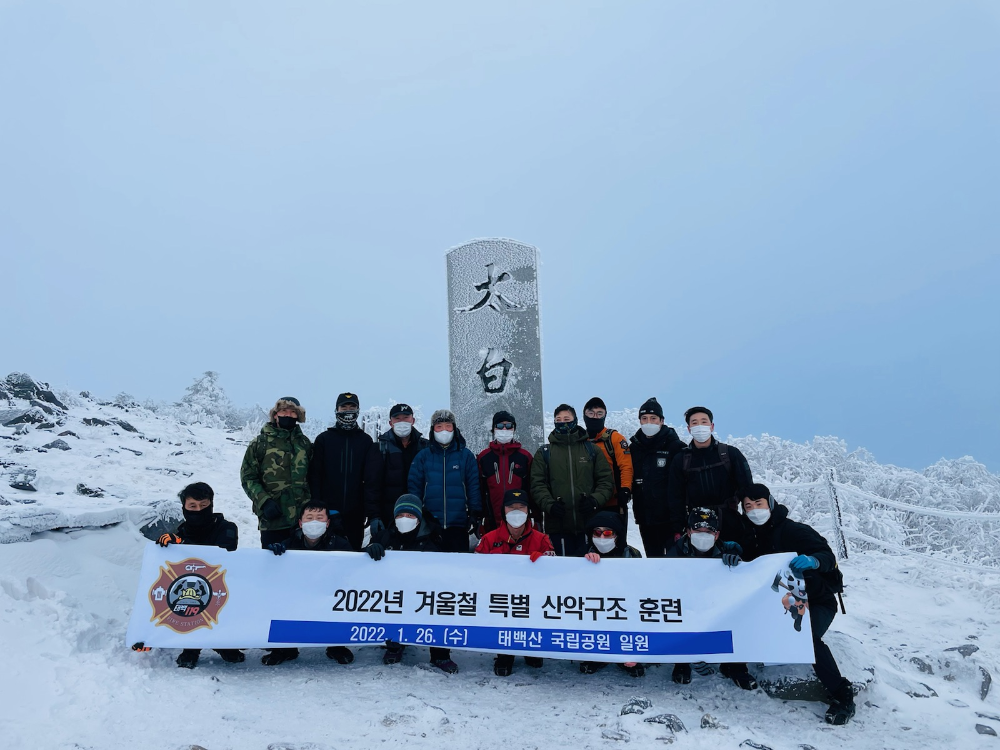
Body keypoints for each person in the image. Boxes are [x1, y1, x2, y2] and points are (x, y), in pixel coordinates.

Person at [737, 483, 855, 725]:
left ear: (770, 503)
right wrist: (733, 553)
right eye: (748, 506)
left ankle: (842, 694)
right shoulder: (749, 535)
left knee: (806, 637)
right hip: (777, 603)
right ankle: (736, 669)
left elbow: (827, 556)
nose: (754, 510)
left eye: (758, 504)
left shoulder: (794, 530)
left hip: (818, 600)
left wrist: (813, 560)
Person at [263, 501, 385, 666]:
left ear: (327, 523)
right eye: (309, 518)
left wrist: (368, 552)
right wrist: (273, 555)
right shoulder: (289, 544)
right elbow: (272, 576)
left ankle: (336, 646)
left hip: (329, 597)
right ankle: (285, 648)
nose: (314, 522)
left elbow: (355, 569)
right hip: (298, 598)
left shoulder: (340, 544)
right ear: (300, 523)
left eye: (319, 518)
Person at [154, 482, 243, 669]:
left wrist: (183, 543)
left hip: (223, 585)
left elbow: (223, 550)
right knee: (187, 599)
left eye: (203, 505)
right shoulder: (180, 532)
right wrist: (169, 546)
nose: (198, 510)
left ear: (211, 504)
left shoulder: (227, 527)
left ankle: (222, 643)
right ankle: (191, 648)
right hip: (193, 588)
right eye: (192, 506)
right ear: (184, 508)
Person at [665, 507, 755, 689]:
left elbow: (747, 582)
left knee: (739, 617)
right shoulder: (675, 552)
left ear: (717, 534)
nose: (703, 535)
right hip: (688, 606)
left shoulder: (728, 549)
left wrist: (736, 563)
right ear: (688, 531)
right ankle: (682, 662)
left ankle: (736, 667)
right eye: (698, 530)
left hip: (718, 606)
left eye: (708, 531)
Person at [373, 494, 458, 672]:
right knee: (391, 605)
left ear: (418, 518)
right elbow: (362, 566)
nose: (404, 519)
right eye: (400, 515)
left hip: (427, 591)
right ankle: (394, 646)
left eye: (410, 515)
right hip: (396, 592)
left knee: (438, 608)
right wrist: (371, 549)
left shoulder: (434, 537)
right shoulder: (385, 536)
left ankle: (440, 654)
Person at [475, 489, 554, 676]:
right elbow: (475, 570)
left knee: (533, 614)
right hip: (500, 597)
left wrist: (545, 560)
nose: (516, 512)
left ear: (528, 511)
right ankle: (504, 654)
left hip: (531, 599)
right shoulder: (489, 539)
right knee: (503, 617)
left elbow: (554, 570)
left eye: (521, 507)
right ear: (503, 511)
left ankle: (530, 649)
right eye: (511, 507)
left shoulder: (541, 539)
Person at [529, 404, 614, 557]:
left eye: (566, 419)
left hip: (589, 524)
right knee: (561, 569)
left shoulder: (591, 450)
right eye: (558, 420)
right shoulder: (545, 452)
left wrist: (594, 500)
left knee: (589, 567)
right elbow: (537, 484)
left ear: (575, 420)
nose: (563, 422)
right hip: (558, 525)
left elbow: (605, 481)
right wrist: (550, 505)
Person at [667, 406, 753, 542]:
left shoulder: (730, 454)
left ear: (711, 426)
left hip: (730, 521)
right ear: (689, 429)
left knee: (733, 554)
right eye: (694, 423)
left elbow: (748, 489)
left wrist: (749, 521)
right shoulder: (681, 459)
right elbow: (675, 496)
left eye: (704, 422)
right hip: (697, 524)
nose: (699, 426)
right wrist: (677, 528)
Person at [240, 396, 312, 548]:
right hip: (273, 520)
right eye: (284, 411)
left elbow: (314, 477)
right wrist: (264, 502)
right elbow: (248, 478)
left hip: (303, 521)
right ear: (275, 414)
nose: (288, 415)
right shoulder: (260, 443)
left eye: (293, 412)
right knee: (274, 560)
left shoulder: (304, 444)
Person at [407, 409, 482, 554]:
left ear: (454, 428)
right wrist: (416, 514)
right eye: (439, 427)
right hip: (429, 526)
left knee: (458, 565)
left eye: (448, 426)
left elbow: (473, 486)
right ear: (433, 429)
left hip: (459, 525)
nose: (444, 431)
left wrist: (475, 513)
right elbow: (414, 488)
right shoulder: (423, 457)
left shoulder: (466, 456)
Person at [579, 510, 644, 677]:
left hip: (623, 608)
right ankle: (595, 655)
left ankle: (629, 653)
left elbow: (642, 588)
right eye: (597, 532)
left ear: (617, 535)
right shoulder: (582, 554)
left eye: (607, 533)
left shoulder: (632, 554)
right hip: (594, 609)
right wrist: (585, 564)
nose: (602, 537)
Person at [308, 392, 373, 551]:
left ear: (358, 410)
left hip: (355, 515)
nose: (348, 411)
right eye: (344, 407)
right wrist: (319, 508)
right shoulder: (324, 439)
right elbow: (315, 476)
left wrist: (368, 510)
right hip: (327, 514)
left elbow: (370, 479)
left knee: (353, 554)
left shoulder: (366, 441)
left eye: (352, 407)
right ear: (337, 410)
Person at [629, 397, 687, 557]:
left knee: (675, 562)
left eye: (653, 418)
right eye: (644, 418)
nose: (649, 422)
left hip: (671, 521)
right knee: (654, 562)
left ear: (661, 421)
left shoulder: (676, 447)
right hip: (645, 520)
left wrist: (680, 521)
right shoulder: (634, 448)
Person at [364, 403, 428, 542]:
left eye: (406, 418)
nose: (402, 422)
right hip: (388, 518)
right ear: (390, 423)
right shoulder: (380, 448)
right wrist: (374, 516)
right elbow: (372, 485)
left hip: (418, 516)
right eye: (397, 419)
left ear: (413, 420)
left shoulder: (425, 447)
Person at [582, 397, 634, 538]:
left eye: (599, 413)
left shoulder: (615, 438)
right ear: (584, 415)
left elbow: (626, 466)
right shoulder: (580, 440)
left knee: (614, 541)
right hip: (587, 504)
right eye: (591, 413)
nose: (595, 417)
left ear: (605, 415)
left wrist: (625, 489)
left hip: (613, 503)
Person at [476, 410, 534, 532]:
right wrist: (478, 518)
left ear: (514, 429)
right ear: (493, 429)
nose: (504, 429)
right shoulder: (483, 457)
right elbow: (479, 490)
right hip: (491, 523)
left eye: (508, 426)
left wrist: (536, 518)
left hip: (520, 524)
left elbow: (532, 489)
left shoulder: (525, 457)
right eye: (499, 426)